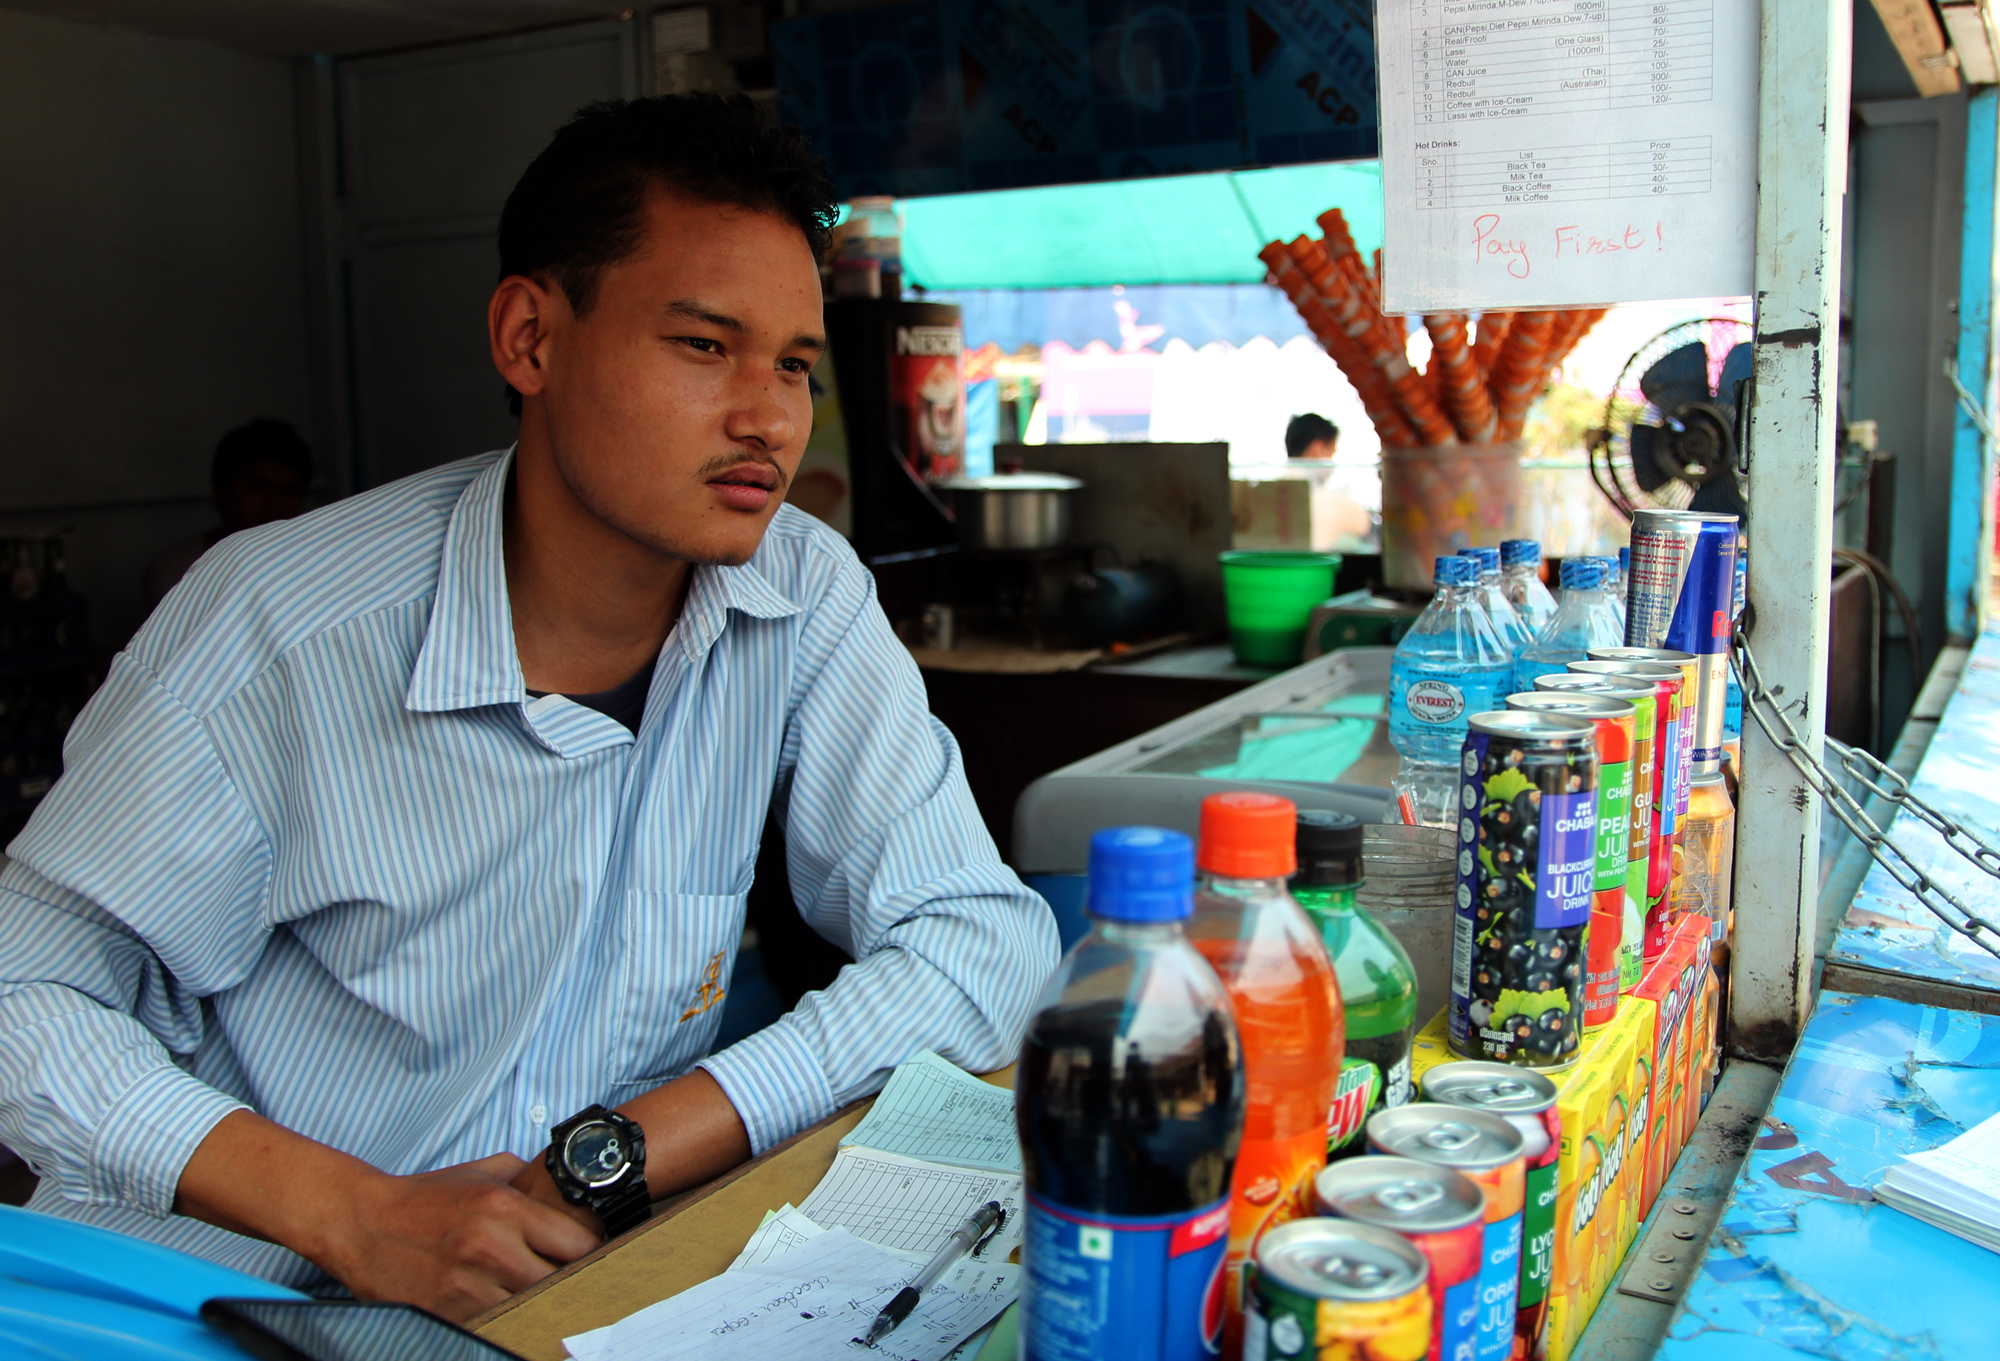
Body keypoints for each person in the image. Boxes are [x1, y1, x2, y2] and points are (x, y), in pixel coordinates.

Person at [0, 94, 1058, 1321]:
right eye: (704, 346)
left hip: (554, 1281)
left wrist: (615, 1154)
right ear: (529, 339)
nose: (766, 416)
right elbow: (24, 989)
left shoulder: (797, 591)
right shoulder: (279, 626)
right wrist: (361, 1213)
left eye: (793, 366)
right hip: (213, 1292)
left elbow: (980, 939)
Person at [143, 419, 313, 609]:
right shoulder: (174, 573)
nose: (273, 504)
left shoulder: (314, 566)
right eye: (257, 488)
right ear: (221, 491)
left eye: (288, 490)